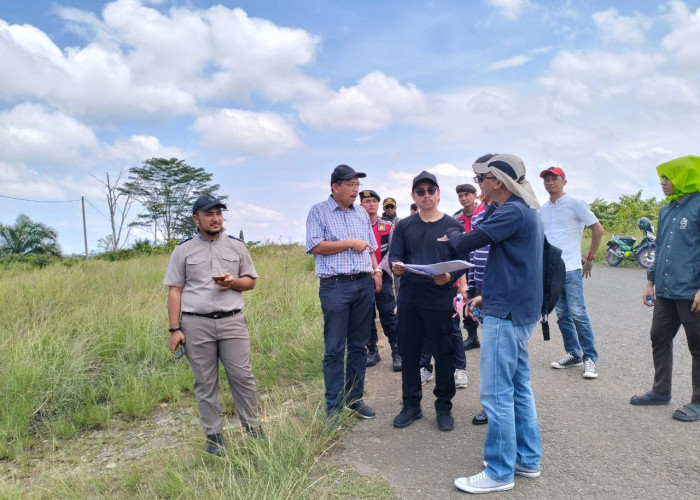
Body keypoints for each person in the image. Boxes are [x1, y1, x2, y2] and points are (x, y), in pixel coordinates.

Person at [445, 154, 543, 494]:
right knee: (518, 387)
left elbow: (464, 242)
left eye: (480, 179)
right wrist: (484, 295)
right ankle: (527, 459)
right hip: (516, 306)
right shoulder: (524, 209)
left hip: (507, 312)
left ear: (497, 181)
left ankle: (500, 472)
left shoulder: (511, 211)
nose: (478, 185)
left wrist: (450, 228)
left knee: (496, 394)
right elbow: (517, 265)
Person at [164, 194, 262, 455]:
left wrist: (233, 283)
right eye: (209, 214)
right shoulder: (183, 250)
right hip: (197, 324)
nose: (216, 218)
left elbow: (250, 281)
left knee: (242, 377)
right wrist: (175, 330)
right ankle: (214, 436)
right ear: (196, 218)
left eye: (219, 213)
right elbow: (175, 290)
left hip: (232, 321)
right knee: (205, 382)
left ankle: (253, 429)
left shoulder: (236, 246)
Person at [389, 171, 467, 432]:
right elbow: (395, 256)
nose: (426, 196)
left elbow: (462, 261)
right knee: (409, 352)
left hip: (439, 299)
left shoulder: (452, 225)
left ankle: (443, 406)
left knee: (443, 353)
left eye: (430, 190)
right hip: (410, 298)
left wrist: (450, 275)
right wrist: (396, 267)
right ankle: (411, 405)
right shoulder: (404, 226)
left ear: (438, 193)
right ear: (413, 196)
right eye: (420, 192)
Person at [305, 164, 382, 420]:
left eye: (357, 185)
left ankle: (354, 397)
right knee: (335, 348)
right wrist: (349, 243)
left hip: (363, 284)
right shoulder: (319, 212)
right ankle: (334, 406)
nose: (355, 190)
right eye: (350, 185)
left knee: (360, 345)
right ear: (335, 187)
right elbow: (315, 246)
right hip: (335, 286)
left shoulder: (360, 213)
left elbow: (370, 246)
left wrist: (376, 271)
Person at [631, 155, 700, 422]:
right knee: (659, 335)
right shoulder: (667, 209)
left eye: (668, 177)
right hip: (667, 289)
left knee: (698, 346)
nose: (662, 182)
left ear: (684, 177)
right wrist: (650, 281)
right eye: (662, 177)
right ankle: (661, 390)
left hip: (691, 291)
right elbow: (659, 249)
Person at [539, 167, 605, 379]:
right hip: (551, 271)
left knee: (577, 313)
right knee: (562, 315)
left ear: (564, 181)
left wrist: (591, 257)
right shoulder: (543, 210)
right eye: (546, 179)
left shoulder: (575, 203)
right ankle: (574, 353)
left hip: (572, 268)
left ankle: (590, 358)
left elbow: (598, 229)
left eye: (554, 178)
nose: (550, 182)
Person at [359, 189, 401, 371]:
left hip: (382, 275)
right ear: (360, 204)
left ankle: (397, 351)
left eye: (375, 201)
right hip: (361, 275)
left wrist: (378, 269)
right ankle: (372, 350)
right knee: (366, 316)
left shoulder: (386, 226)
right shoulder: (356, 226)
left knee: (388, 313)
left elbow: (392, 251)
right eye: (367, 201)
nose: (371, 204)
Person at [454, 183, 482, 351]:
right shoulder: (456, 219)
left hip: (482, 262)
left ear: (475, 195)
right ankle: (472, 337)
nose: (463, 198)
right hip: (465, 264)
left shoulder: (485, 213)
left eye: (467, 194)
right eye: (460, 195)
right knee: (466, 299)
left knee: (485, 299)